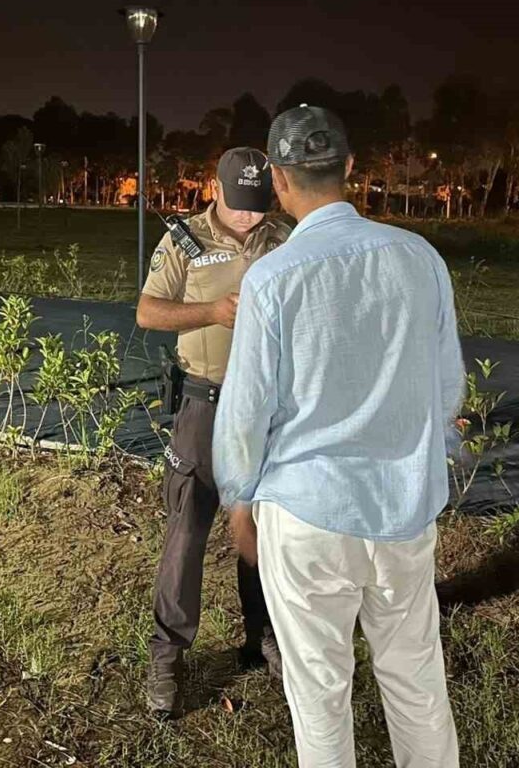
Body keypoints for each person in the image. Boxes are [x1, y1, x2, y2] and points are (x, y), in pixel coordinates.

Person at [212, 106, 464, 767]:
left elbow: (245, 412)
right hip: (403, 509)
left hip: (308, 513)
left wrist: (240, 499)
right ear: (350, 168)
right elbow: (446, 391)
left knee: (320, 695)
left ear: (277, 179)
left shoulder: (273, 278)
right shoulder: (420, 259)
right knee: (416, 680)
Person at [137, 146, 291, 718]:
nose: (248, 217)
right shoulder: (184, 242)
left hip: (268, 408)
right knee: (189, 528)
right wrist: (212, 313)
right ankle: (168, 655)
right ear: (213, 187)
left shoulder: (283, 236)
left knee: (261, 526)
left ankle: (265, 635)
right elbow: (148, 312)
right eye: (238, 204)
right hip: (205, 399)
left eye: (258, 206)